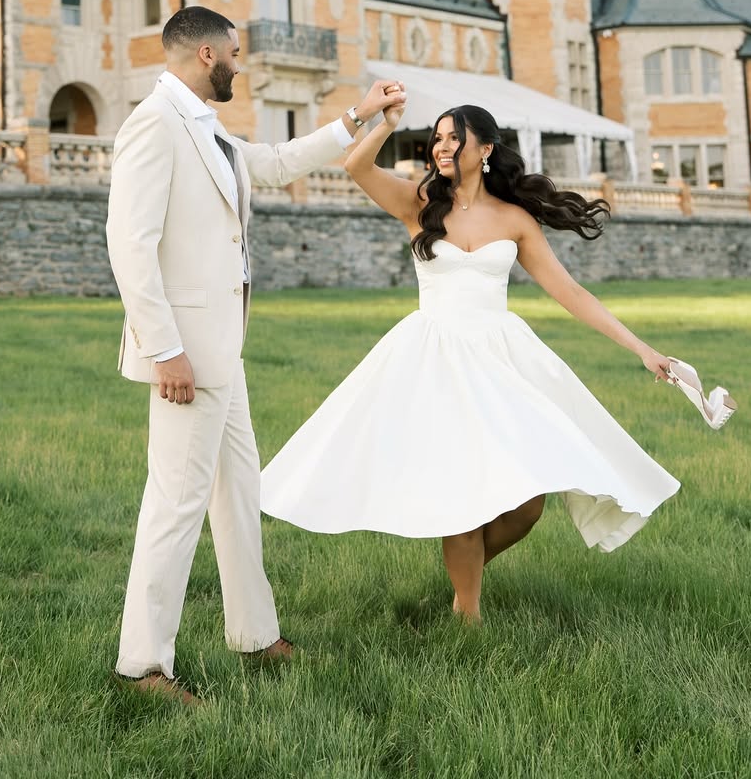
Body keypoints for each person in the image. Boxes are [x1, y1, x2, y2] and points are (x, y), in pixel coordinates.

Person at [260, 100, 682, 623]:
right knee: (458, 491)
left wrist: (643, 350)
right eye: (437, 137)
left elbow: (571, 293)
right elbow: (356, 166)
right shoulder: (418, 203)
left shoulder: (514, 219)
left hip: (500, 359)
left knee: (527, 505)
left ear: (484, 149)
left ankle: (465, 575)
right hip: (434, 359)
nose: (441, 146)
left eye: (453, 137)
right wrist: (386, 124)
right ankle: (467, 614)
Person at [106, 5, 403, 700]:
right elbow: (130, 246)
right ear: (207, 53)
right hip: (186, 355)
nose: (241, 65)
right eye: (235, 54)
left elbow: (273, 163)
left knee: (239, 492)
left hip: (223, 350)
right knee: (175, 504)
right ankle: (142, 666)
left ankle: (255, 634)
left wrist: (357, 116)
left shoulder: (205, 125)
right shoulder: (154, 123)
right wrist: (165, 351)